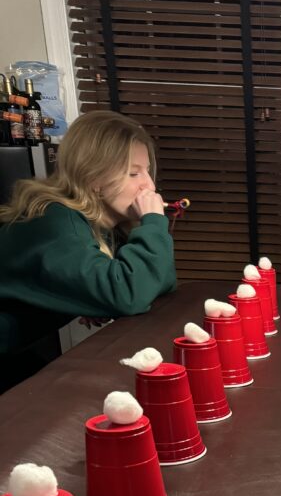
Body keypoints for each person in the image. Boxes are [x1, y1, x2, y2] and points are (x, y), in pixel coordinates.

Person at [0, 110, 176, 392]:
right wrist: (153, 222)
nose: (150, 185)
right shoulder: (54, 219)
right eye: (133, 173)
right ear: (94, 177)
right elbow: (129, 294)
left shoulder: (101, 225)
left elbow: (159, 282)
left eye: (147, 171)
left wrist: (92, 293)